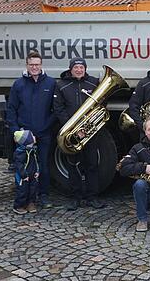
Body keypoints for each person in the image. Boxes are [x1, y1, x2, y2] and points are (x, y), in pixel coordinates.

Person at [53, 57, 107, 210]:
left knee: (92, 164)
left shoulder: (93, 82)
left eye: (81, 67)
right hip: (72, 134)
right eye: (76, 67)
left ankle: (92, 197)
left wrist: (87, 126)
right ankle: (75, 198)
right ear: (71, 69)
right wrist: (73, 128)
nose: (78, 70)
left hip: (89, 132)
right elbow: (58, 108)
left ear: (85, 68)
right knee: (73, 165)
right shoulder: (62, 85)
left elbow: (101, 104)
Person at [6, 51, 56, 208]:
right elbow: (11, 109)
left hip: (44, 133)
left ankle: (44, 196)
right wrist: (16, 132)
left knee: (44, 166)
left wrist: (46, 126)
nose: (34, 67)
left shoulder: (51, 83)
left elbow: (56, 109)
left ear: (41, 65)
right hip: (25, 135)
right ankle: (26, 198)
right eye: (31, 64)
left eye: (37, 64)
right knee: (25, 168)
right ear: (26, 65)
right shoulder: (18, 84)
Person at [12, 130, 40, 215]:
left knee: (32, 190)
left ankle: (30, 203)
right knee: (22, 191)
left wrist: (38, 171)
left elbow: (37, 162)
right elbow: (19, 166)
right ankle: (18, 206)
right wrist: (24, 175)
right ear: (28, 140)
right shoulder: (20, 152)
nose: (35, 137)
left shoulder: (33, 150)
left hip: (32, 175)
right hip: (23, 177)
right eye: (32, 136)